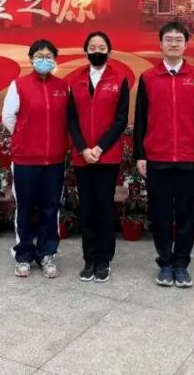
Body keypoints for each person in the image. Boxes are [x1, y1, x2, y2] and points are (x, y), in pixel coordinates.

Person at [134, 21, 194, 288]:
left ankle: (181, 264)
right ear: (160, 44)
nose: (174, 44)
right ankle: (165, 263)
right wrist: (140, 155)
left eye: (179, 39)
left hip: (189, 158)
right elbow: (140, 119)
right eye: (168, 39)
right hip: (157, 157)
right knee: (160, 215)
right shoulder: (148, 78)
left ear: (186, 44)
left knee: (187, 214)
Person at [2, 39, 70, 279]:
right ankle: (23, 255)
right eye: (39, 56)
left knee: (51, 208)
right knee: (25, 208)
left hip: (54, 160)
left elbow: (68, 120)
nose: (44, 60)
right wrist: (26, 136)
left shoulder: (63, 87)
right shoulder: (19, 85)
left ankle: (47, 253)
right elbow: (8, 117)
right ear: (31, 59)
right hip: (26, 160)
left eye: (49, 56)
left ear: (55, 60)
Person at [67, 31, 130, 283]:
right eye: (92, 47)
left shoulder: (120, 79)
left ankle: (104, 260)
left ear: (109, 52)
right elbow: (71, 119)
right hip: (82, 156)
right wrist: (83, 148)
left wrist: (100, 147)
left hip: (108, 155)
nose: (97, 51)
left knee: (104, 207)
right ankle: (89, 259)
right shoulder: (75, 80)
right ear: (86, 51)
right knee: (87, 207)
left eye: (101, 47)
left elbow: (121, 119)